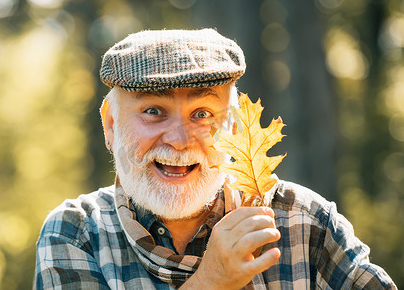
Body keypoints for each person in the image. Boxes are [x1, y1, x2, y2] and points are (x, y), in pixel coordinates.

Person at [33, 29, 396, 289]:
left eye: (203, 114)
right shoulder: (76, 234)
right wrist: (211, 282)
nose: (178, 140)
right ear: (111, 125)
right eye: (154, 111)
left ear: (235, 126)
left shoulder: (306, 223)